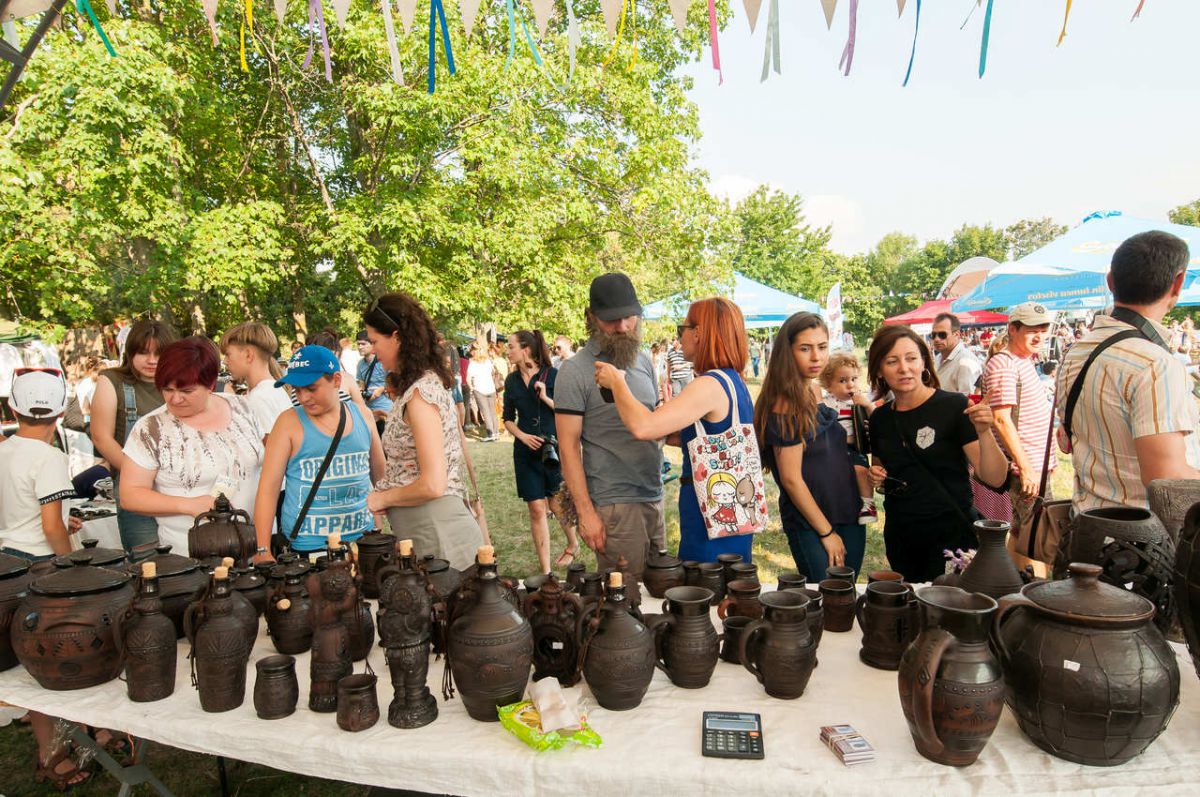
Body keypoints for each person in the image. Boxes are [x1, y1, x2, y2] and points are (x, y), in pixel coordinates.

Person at [598, 297, 760, 565]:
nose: (679, 337)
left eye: (681, 329)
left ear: (698, 333)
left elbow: (643, 427)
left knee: (705, 581)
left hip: (710, 514)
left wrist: (617, 383)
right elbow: (707, 436)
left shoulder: (709, 385)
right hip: (730, 512)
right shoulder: (733, 381)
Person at [1056, 231, 1200, 513]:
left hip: (1089, 525)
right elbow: (1166, 478)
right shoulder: (1154, 364)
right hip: (1147, 533)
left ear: (1110, 281)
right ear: (1178, 282)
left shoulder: (1077, 351)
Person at [0, 368, 96, 789]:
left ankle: (54, 749)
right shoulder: (51, 456)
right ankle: (60, 749)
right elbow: (51, 526)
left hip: (6, 562)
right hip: (39, 566)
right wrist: (71, 565)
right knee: (55, 660)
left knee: (27, 666)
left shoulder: (4, 449)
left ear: (13, 409)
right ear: (59, 413)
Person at [866, 325, 1009, 583]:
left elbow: (995, 478)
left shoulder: (954, 406)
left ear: (924, 362)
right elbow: (882, 472)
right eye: (892, 361)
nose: (904, 368)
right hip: (903, 536)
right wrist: (877, 476)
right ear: (879, 370)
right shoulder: (880, 419)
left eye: (911, 358)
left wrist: (985, 432)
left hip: (952, 535)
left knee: (953, 603)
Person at [363, 293, 484, 570]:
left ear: (396, 337)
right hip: (429, 531)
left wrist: (383, 497)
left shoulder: (420, 395)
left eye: (375, 341)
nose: (372, 350)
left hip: (438, 534)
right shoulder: (418, 389)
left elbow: (433, 484)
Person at [556, 272, 665, 576]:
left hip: (654, 495)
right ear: (591, 317)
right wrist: (586, 513)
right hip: (614, 506)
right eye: (611, 320)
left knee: (659, 593)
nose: (623, 326)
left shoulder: (643, 361)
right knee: (625, 599)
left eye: (629, 317)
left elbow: (654, 420)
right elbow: (567, 448)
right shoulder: (574, 371)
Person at [118, 337, 265, 554]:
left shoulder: (243, 408)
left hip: (256, 547)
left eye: (186, 391)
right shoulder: (151, 429)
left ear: (211, 384)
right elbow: (130, 495)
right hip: (191, 555)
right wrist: (188, 504)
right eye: (167, 389)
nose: (175, 399)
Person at [753, 313, 865, 583]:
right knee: (828, 596)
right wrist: (826, 533)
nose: (816, 357)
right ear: (787, 352)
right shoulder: (785, 403)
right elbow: (791, 479)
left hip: (847, 508)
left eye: (822, 347)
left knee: (846, 594)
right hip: (813, 521)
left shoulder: (814, 390)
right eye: (805, 348)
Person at [253, 346, 384, 558]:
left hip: (363, 541)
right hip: (309, 547)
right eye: (297, 390)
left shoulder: (363, 416)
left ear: (336, 380)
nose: (303, 397)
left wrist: (382, 527)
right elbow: (268, 490)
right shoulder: (287, 423)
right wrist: (263, 550)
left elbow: (381, 477)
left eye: (311, 388)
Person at [89, 319, 179, 560]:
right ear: (129, 353)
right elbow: (101, 436)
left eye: (158, 353)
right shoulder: (112, 381)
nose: (151, 360)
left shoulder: (180, 384)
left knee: (183, 559)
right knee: (147, 561)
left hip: (177, 487)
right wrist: (140, 474)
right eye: (143, 352)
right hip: (135, 489)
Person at [503, 330, 580, 573]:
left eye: (511, 346)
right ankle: (546, 572)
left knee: (556, 503)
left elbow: (566, 411)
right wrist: (522, 436)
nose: (507, 351)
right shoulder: (511, 381)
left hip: (552, 449)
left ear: (525, 349)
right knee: (537, 509)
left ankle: (573, 543)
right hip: (525, 452)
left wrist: (545, 396)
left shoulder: (553, 375)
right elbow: (507, 419)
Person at [982, 302, 1056, 527]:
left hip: (1033, 465)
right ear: (1012, 329)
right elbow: (1001, 419)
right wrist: (1025, 467)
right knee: (1036, 534)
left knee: (1022, 533)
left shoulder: (1021, 360)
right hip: (1024, 467)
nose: (1039, 336)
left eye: (1043, 330)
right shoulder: (1004, 364)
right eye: (1032, 330)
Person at [818, 352, 877, 525]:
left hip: (854, 447)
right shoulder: (826, 402)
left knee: (861, 470)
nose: (850, 384)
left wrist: (867, 405)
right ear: (828, 386)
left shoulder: (861, 401)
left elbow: (877, 420)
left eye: (854, 379)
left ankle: (868, 505)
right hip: (831, 448)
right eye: (842, 380)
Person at [219, 322, 291, 441]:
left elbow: (268, 448)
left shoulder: (259, 398)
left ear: (248, 355)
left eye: (228, 354)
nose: (225, 361)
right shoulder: (273, 389)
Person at [930, 312, 982, 395]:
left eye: (942, 335)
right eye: (933, 335)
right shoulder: (939, 358)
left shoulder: (965, 361)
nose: (936, 339)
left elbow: (968, 399)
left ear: (957, 334)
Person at [355, 331, 393, 434]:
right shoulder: (360, 364)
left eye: (363, 344)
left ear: (372, 344)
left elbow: (395, 383)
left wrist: (381, 390)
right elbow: (361, 384)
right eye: (358, 344)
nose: (360, 347)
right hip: (369, 411)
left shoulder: (382, 361)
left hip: (385, 409)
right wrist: (361, 392)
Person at [466, 343, 500, 441]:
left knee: (486, 412)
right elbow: (494, 373)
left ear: (474, 352)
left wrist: (472, 388)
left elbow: (468, 379)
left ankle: (490, 434)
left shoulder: (472, 364)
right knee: (493, 412)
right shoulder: (488, 361)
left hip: (479, 390)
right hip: (491, 389)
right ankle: (496, 433)